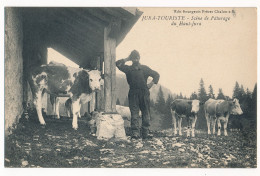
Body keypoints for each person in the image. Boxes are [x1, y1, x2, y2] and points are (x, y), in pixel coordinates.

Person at [116, 50, 160, 139]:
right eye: (134, 57)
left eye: (137, 57)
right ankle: (135, 133)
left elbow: (156, 75)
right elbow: (117, 64)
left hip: (144, 92)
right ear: (131, 59)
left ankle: (145, 133)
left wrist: (151, 84)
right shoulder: (128, 69)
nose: (136, 59)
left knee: (146, 112)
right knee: (134, 113)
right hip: (133, 93)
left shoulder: (145, 68)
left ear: (139, 58)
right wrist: (127, 58)